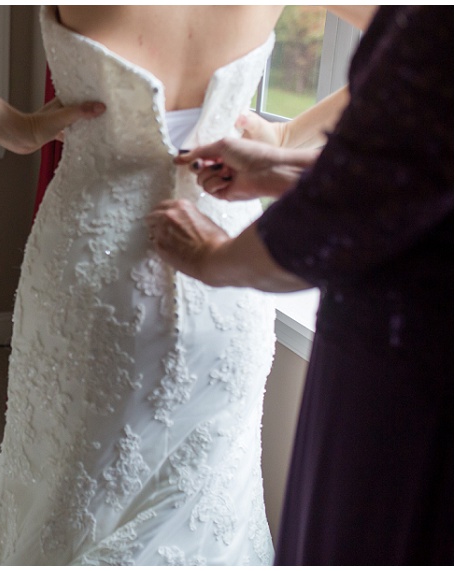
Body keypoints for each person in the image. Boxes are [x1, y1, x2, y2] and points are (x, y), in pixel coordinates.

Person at [0, 5, 369, 565]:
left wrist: (16, 127)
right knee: (206, 487)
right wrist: (290, 135)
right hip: (228, 259)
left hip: (93, 264)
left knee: (64, 484)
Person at [147, 6, 452, 565]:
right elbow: (420, 167)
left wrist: (212, 258)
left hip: (415, 367)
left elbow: (364, 203)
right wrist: (286, 166)